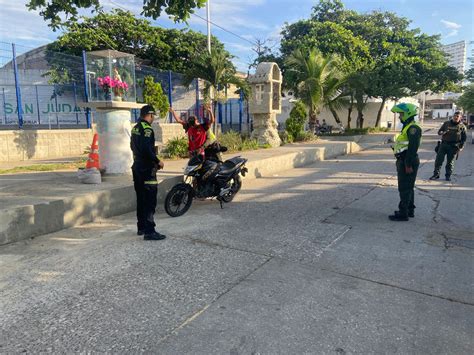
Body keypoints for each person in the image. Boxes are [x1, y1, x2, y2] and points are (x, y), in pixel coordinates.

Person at [130, 104, 166, 240]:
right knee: (150, 200)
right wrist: (158, 161)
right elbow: (147, 150)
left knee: (141, 199)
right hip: (147, 170)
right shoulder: (147, 129)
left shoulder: (135, 128)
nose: (153, 118)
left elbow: (132, 146)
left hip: (137, 167)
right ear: (150, 115)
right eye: (153, 116)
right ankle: (150, 231)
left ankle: (141, 227)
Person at [389, 103, 422, 221]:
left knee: (404, 188)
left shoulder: (413, 128)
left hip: (407, 161)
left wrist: (408, 165)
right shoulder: (408, 127)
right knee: (408, 187)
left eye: (401, 114)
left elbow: (413, 149)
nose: (399, 116)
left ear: (408, 113)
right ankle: (409, 210)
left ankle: (403, 213)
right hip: (403, 160)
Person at [429, 111, 467, 181]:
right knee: (438, 161)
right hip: (443, 145)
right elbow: (439, 132)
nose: (456, 117)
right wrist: (442, 132)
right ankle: (436, 175)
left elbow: (464, 139)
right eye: (455, 116)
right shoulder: (446, 123)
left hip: (453, 146)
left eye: (457, 116)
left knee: (450, 162)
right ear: (453, 116)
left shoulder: (462, 126)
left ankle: (448, 175)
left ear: (460, 117)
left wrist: (461, 147)